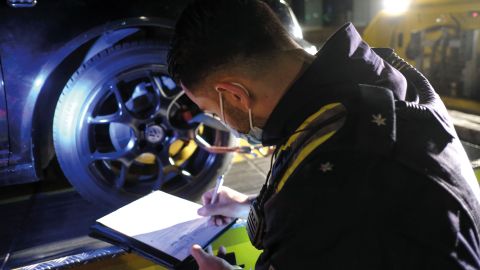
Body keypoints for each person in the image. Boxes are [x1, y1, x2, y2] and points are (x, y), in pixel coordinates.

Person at [167, 0, 480, 269]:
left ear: (234, 95)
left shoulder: (323, 185)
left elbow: (335, 203)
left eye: (212, 110)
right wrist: (250, 206)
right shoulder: (378, 78)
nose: (219, 120)